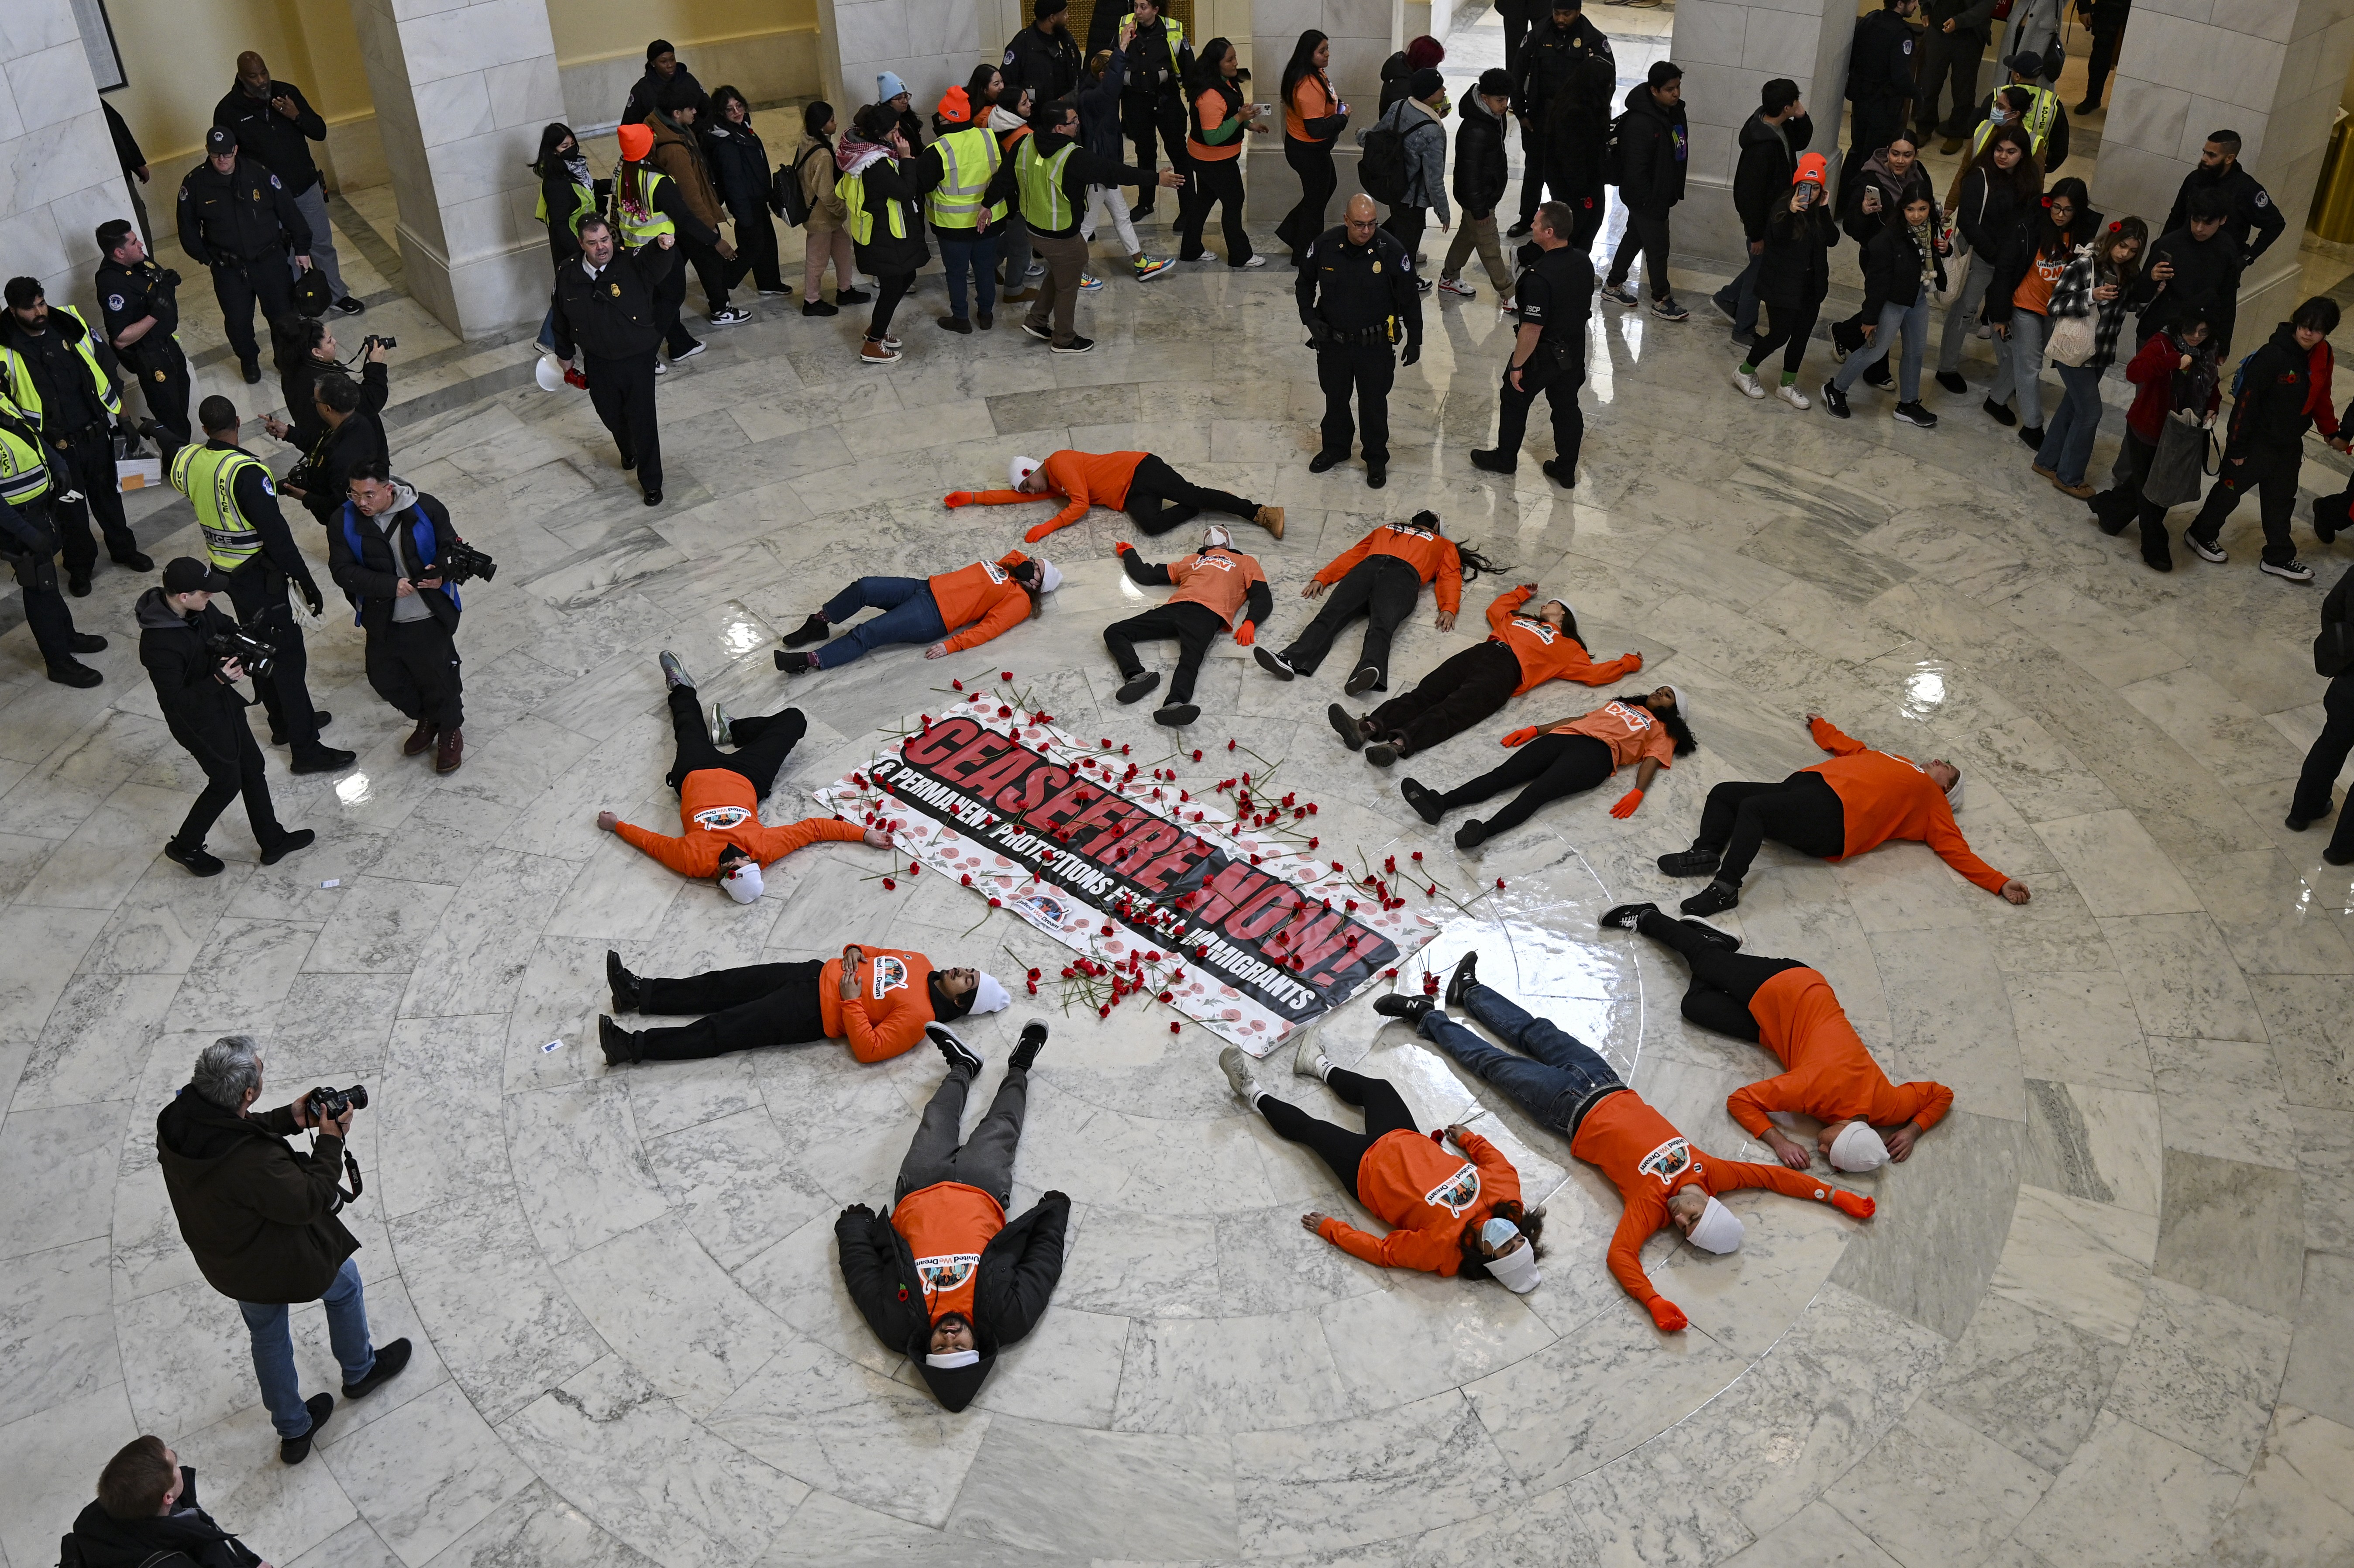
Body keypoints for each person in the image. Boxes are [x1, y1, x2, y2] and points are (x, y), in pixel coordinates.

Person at [1373, 956, 1875, 1331]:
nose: (1680, 1220)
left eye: (1684, 1231)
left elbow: (1621, 1258)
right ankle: (1470, 991)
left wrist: (1653, 1301)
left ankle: (1426, 1017)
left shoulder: (1649, 1208)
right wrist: (1835, 1196)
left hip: (1564, 1107)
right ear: (1710, 1206)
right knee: (1534, 1030)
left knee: (1492, 1063)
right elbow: (1775, 1178)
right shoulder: (1714, 1174)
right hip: (1604, 1078)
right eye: (1693, 1219)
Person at [156, 1035, 410, 1461]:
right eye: (260, 1069)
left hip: (226, 1258)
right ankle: (361, 1371)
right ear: (248, 1093)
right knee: (346, 1285)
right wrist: (330, 1138)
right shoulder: (253, 1162)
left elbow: (230, 1130)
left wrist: (290, 1118)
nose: (263, 1068)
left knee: (267, 1336)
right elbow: (310, 1198)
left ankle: (294, 1431)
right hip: (275, 1258)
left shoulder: (176, 1117)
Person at [1602, 906, 1953, 1168]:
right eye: (1831, 1150)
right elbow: (1740, 1101)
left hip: (1778, 1029)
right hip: (1791, 986)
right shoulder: (1812, 1088)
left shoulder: (1889, 1108)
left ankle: (1716, 942)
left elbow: (1941, 1095)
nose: (1821, 1151)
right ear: (1847, 1134)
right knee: (1704, 962)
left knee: (1695, 1007)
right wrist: (1779, 1141)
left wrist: (1913, 1131)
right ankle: (1647, 916)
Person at [836, 1023, 1066, 1411]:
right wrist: (1054, 1215)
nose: (950, 1338)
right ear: (978, 1347)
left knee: (936, 1118)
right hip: (982, 1191)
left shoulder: (897, 1325)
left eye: (941, 1349)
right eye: (959, 1347)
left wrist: (853, 1229)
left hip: (918, 1190)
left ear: (927, 1349)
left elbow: (863, 1276)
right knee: (1002, 1125)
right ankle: (1019, 1069)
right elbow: (1041, 1266)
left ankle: (962, 1067)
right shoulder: (1008, 1318)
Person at [1216, 1043, 1543, 1292]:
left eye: (1506, 1249)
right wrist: (1470, 1139)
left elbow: (1384, 1252)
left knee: (1312, 1130)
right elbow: (1497, 1162)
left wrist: (1332, 1230)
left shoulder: (1443, 1252)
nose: (1509, 1237)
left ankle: (1249, 1089)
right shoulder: (1508, 1199)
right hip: (1404, 1137)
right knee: (1378, 1089)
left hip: (1365, 1171)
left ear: (1488, 1260)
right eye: (1518, 1240)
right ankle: (1317, 1063)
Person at [1662, 712, 2028, 915]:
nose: (1939, 761)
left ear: (1947, 790)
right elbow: (1851, 748)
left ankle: (1725, 889)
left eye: (1947, 768)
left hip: (1835, 818)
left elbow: (1955, 848)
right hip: (1804, 791)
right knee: (1725, 793)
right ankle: (1706, 852)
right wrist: (1820, 726)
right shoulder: (1896, 761)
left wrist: (1999, 882)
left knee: (1754, 808)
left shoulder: (1932, 802)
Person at [593, 649, 879, 901]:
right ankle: (733, 730)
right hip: (748, 777)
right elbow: (815, 830)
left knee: (688, 726)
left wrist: (617, 825)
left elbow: (652, 844)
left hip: (696, 772)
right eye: (745, 861)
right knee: (793, 720)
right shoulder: (764, 850)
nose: (738, 857)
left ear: (722, 877)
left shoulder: (692, 861)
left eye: (732, 867)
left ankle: (680, 687)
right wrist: (864, 834)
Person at [170, 396, 352, 774]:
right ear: (238, 422)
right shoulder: (246, 472)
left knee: (259, 647)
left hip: (227, 573)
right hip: (259, 576)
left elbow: (171, 450)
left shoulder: (188, 460)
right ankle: (306, 751)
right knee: (287, 660)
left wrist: (154, 430)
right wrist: (306, 581)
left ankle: (283, 723)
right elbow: (277, 536)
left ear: (204, 429)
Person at [1329, 584, 1643, 767]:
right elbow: (1496, 610)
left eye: (1553, 603)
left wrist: (1629, 663)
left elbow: (1595, 674)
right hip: (1482, 652)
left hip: (1508, 672)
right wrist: (1521, 593)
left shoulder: (1570, 648)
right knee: (1425, 693)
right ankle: (1366, 728)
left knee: (1453, 710)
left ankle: (1396, 746)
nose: (1546, 604)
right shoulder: (1518, 620)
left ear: (1564, 614)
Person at [137, 560, 314, 874]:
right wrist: (218, 679)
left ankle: (273, 841)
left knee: (253, 767)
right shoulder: (158, 645)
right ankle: (185, 846)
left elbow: (225, 625)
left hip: (222, 704)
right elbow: (176, 703)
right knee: (226, 781)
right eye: (204, 593)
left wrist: (242, 642)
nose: (211, 597)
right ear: (183, 597)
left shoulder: (200, 608)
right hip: (197, 723)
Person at [606, 944, 1012, 1067]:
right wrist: (854, 951)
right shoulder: (920, 961)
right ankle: (640, 994)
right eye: (969, 969)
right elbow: (870, 951)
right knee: (722, 984)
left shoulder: (921, 1017)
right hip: (810, 972)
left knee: (724, 1028)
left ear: (960, 1001)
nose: (963, 970)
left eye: (968, 980)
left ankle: (633, 1047)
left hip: (809, 1013)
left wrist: (852, 1003)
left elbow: (870, 1050)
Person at [0, 278, 152, 593]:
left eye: (42, 303)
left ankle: (125, 550)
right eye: (30, 309)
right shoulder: (5, 349)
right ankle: (80, 567)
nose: (40, 312)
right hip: (55, 447)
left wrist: (124, 419)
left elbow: (107, 373)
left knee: (109, 498)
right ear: (13, 311)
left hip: (95, 434)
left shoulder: (70, 324)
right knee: (71, 511)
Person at [2182, 296, 2347, 584]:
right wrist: (2237, 447)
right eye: (2304, 325)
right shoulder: (2272, 356)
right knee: (2229, 492)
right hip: (2256, 441)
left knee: (2281, 501)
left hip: (2289, 443)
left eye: (2317, 329)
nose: (2308, 333)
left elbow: (2321, 395)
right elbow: (2246, 405)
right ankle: (2200, 533)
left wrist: (2331, 431)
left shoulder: (2324, 354)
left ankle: (2278, 557)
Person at [999, 96, 1182, 352]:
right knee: (1068, 286)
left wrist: (987, 204)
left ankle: (1037, 321)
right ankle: (1064, 339)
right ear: (1059, 128)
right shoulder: (1072, 157)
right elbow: (1113, 171)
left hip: (1034, 228)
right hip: (1061, 233)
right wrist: (1156, 179)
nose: (1078, 124)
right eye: (1073, 122)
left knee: (1061, 272)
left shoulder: (1025, 143)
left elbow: (1004, 178)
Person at [1401, 687, 1690, 849]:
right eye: (1661, 689)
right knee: (1501, 777)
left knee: (1535, 795)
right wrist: (1536, 729)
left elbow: (1652, 759)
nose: (1660, 692)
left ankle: (1483, 832)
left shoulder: (1663, 730)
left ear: (1674, 712)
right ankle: (1440, 803)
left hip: (1596, 756)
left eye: (1668, 696)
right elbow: (1579, 719)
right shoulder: (1621, 705)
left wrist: (1638, 791)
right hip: (1563, 737)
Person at [327, 462, 470, 773]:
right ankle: (428, 717)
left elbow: (450, 546)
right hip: (382, 616)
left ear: (389, 489)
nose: (361, 502)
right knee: (385, 679)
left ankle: (449, 729)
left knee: (439, 677)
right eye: (354, 494)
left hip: (427, 614)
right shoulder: (342, 520)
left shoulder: (426, 507)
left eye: (369, 495)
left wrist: (442, 574)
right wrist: (389, 585)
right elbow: (341, 570)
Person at [1255, 511, 1480, 695]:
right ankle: (1290, 660)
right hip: (1374, 571)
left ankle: (1368, 672)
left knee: (1376, 625)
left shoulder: (1442, 544)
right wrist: (1323, 577)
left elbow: (1449, 576)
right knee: (1337, 616)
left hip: (1398, 577)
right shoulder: (1388, 529)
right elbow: (1356, 554)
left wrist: (1449, 607)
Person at [214, 52, 357, 317]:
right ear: (241, 77)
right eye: (253, 76)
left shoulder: (287, 93)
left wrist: (296, 115)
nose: (261, 81)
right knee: (286, 256)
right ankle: (299, 305)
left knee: (321, 244)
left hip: (306, 187)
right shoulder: (228, 110)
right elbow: (229, 159)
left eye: (264, 73)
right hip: (269, 199)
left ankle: (337, 294)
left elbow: (320, 131)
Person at [549, 213, 675, 506]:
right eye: (593, 243)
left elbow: (655, 263)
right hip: (599, 360)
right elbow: (561, 317)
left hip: (637, 358)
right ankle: (627, 448)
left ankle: (651, 483)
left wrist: (662, 247)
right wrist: (565, 355)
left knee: (643, 420)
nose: (601, 247)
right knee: (611, 415)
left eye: (605, 240)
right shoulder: (568, 274)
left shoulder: (631, 263)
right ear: (582, 244)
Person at [1299, 195, 1424, 488]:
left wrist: (1415, 338)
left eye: (1371, 224)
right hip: (1334, 343)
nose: (1366, 231)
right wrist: (1310, 319)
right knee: (1335, 398)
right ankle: (1336, 448)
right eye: (1359, 224)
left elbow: (1409, 297)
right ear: (1346, 220)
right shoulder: (1325, 246)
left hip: (1375, 345)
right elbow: (1304, 283)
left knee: (1374, 404)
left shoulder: (1390, 250)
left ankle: (1376, 458)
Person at [776, 549, 1062, 673]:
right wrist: (1026, 568)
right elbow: (1016, 555)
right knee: (865, 587)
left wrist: (952, 645)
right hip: (923, 587)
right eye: (1034, 561)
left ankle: (809, 661)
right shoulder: (1008, 566)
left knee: (868, 632)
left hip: (933, 617)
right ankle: (819, 623)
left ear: (1038, 586)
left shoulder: (1020, 601)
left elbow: (991, 628)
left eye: (1036, 570)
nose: (1030, 564)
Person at [178, 125, 313, 384]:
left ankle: (284, 359)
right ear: (207, 151)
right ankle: (248, 359)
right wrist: (208, 258)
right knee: (238, 322)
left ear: (236, 150)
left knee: (283, 316)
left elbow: (289, 211)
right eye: (216, 154)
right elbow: (188, 230)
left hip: (269, 260)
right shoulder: (196, 184)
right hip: (229, 268)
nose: (222, 159)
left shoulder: (259, 174)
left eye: (227, 153)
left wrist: (302, 247)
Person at [1470, 199, 1593, 482]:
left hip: (1543, 354)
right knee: (1566, 407)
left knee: (1514, 397)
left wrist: (1517, 366)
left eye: (1536, 223)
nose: (1532, 226)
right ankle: (1566, 470)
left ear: (1549, 232)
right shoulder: (1583, 261)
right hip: (1573, 350)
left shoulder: (1539, 277)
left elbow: (1532, 329)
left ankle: (1505, 459)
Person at [2092, 306, 2220, 569]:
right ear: (2180, 325)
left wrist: (2213, 407)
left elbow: (2211, 385)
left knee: (2150, 485)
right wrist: (2174, 361)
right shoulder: (2162, 343)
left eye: (2204, 332)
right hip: (2148, 428)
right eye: (2192, 330)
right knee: (2153, 494)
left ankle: (2108, 510)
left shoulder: (2207, 352)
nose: (2197, 337)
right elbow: (2134, 372)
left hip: (2182, 433)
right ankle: (2155, 547)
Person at [1103, 527, 1273, 726]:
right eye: (1209, 533)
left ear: (1230, 542)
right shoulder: (1191, 560)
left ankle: (1174, 704)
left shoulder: (1245, 561)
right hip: (1175, 608)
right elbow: (1147, 575)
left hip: (1208, 614)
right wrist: (1129, 553)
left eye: (1221, 532)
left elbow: (1262, 595)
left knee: (1190, 660)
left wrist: (1251, 622)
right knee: (1115, 632)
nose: (1214, 534)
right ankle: (1137, 676)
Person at [2037, 217, 2150, 497]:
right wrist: (2092, 296)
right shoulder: (2084, 265)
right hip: (2074, 351)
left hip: (2100, 353)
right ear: (2112, 240)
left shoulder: (2129, 273)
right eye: (2122, 246)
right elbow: (2054, 305)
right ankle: (2069, 478)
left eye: (2133, 250)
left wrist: (2152, 289)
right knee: (2090, 413)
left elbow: (2128, 305)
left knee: (2072, 407)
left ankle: (2046, 461)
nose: (2124, 253)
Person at [946, 448, 1281, 542]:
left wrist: (1048, 527)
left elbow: (1080, 505)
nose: (1030, 492)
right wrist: (972, 498)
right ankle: (1208, 502)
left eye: (1027, 485)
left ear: (1031, 471)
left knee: (1192, 493)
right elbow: (1015, 498)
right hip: (1128, 494)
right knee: (1152, 526)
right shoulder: (1051, 484)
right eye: (1026, 490)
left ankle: (1262, 512)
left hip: (1141, 469)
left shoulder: (1059, 463)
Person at [1984, 175, 2099, 441]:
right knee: (2031, 367)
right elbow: (2004, 271)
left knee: (2025, 361)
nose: (2060, 215)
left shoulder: (2082, 235)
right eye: (2056, 207)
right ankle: (2033, 426)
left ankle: (1996, 400)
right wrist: (2000, 316)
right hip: (2024, 306)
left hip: (2054, 309)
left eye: (2068, 210)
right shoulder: (2029, 228)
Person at [1823, 188, 1948, 428]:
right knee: (1875, 351)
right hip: (1893, 302)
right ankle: (1836, 389)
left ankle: (1908, 404)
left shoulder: (1930, 228)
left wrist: (1946, 249)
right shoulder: (1887, 240)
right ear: (1902, 209)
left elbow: (1931, 255)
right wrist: (1870, 318)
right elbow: (1876, 283)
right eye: (1911, 209)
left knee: (1916, 352)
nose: (1916, 215)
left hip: (1917, 298)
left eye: (1922, 209)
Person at [1934, 122, 2042, 395]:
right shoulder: (1979, 176)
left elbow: (2029, 219)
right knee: (1965, 311)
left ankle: (2008, 375)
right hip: (1981, 256)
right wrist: (1995, 256)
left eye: (2011, 151)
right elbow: (1968, 222)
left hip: (2010, 259)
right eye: (1999, 149)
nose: (2002, 156)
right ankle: (1946, 368)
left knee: (2003, 314)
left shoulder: (2029, 178)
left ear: (2023, 154)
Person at [67, 1435, 268, 1568]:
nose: (180, 1469)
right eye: (176, 1467)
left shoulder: (99, 1512)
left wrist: (249, 1560)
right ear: (168, 1498)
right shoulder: (174, 1561)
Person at [1733, 155, 1839, 407]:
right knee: (1779, 335)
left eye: (1816, 188)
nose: (1810, 193)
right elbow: (1778, 239)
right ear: (1796, 185)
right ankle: (1744, 371)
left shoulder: (1818, 211)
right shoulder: (1783, 207)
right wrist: (1791, 212)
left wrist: (1825, 209)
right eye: (1805, 186)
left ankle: (1787, 385)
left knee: (1801, 337)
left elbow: (1833, 239)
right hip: (1781, 286)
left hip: (1810, 286)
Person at [837, 104, 939, 365]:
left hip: (884, 232)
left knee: (907, 276)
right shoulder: (875, 164)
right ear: (880, 133)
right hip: (884, 236)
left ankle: (877, 328)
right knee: (893, 287)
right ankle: (873, 345)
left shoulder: (859, 151)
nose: (898, 135)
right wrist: (906, 159)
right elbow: (905, 191)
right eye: (894, 130)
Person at [610, 122, 716, 365]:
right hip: (661, 251)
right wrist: (714, 240)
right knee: (672, 298)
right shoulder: (658, 182)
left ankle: (680, 344)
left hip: (634, 251)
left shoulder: (623, 174)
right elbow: (685, 217)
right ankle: (646, 355)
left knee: (659, 299)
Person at [1831, 133, 1934, 381]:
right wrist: (1864, 211)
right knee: (1883, 308)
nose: (1900, 160)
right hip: (1878, 255)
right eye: (1895, 154)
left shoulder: (1919, 175)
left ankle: (1844, 333)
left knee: (1888, 309)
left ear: (1916, 155)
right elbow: (1851, 228)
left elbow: (1929, 210)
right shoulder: (1869, 180)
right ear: (1887, 152)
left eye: (1907, 155)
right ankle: (1876, 369)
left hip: (1910, 256)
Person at [0, 450, 108, 686]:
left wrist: (59, 465)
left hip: (37, 514)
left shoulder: (9, 423)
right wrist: (26, 532)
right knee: (39, 587)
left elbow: (37, 442)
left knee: (48, 584)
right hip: (15, 524)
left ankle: (67, 637)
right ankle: (58, 664)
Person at [1716, 80, 1812, 340]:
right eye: (1795, 102)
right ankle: (1743, 330)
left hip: (1776, 216)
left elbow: (1801, 140)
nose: (1799, 104)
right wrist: (1756, 235)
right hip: (1766, 221)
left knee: (1760, 267)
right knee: (1758, 278)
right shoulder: (1762, 148)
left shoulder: (1778, 126)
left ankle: (1727, 298)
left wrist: (1802, 116)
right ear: (1786, 108)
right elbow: (1748, 196)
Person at [644, 78, 743, 327]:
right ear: (677, 113)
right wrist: (710, 229)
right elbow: (690, 195)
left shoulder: (669, 126)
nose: (695, 112)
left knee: (683, 264)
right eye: (691, 109)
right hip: (691, 219)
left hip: (681, 220)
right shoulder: (674, 149)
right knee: (710, 261)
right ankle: (721, 309)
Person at [1510, 0, 1615, 237]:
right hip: (1540, 116)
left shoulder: (1593, 40)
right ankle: (1527, 218)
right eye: (1557, 13)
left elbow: (1607, 81)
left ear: (1578, 12)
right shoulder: (1537, 36)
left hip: (1575, 121)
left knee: (1568, 172)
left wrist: (1596, 117)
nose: (1560, 19)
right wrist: (1521, 113)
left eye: (1567, 14)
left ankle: (1567, 222)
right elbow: (1518, 73)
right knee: (1535, 169)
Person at [1079, 29, 1176, 282]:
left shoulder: (1098, 92)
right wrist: (1122, 46)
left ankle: (1141, 263)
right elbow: (1111, 87)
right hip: (1098, 173)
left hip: (1107, 169)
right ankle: (1073, 273)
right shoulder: (1093, 98)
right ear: (1104, 76)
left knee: (1122, 216)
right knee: (1086, 226)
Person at [1599, 62, 1691, 322]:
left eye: (1678, 87)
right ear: (1654, 90)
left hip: (1661, 191)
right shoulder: (1641, 122)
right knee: (1658, 248)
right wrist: (1648, 201)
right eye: (1670, 89)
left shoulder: (1674, 111)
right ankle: (1662, 300)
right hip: (1647, 197)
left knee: (1635, 237)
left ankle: (1613, 285)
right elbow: (1635, 169)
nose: (1676, 93)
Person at [95, 219, 191, 445]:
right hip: (150, 357)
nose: (140, 245)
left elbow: (153, 288)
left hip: (168, 346)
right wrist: (154, 316)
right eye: (134, 243)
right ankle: (178, 458)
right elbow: (120, 339)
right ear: (119, 253)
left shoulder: (136, 262)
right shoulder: (112, 284)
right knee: (173, 422)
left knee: (181, 407)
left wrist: (167, 284)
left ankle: (182, 452)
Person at [1178, 38, 1268, 267]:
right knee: (1234, 201)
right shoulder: (1210, 95)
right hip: (1213, 160)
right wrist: (1240, 118)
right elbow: (1213, 136)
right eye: (1230, 60)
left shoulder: (1226, 81)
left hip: (1210, 158)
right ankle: (1240, 255)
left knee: (1204, 199)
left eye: (1235, 57)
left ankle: (1190, 249)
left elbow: (1230, 113)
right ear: (1215, 64)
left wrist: (1249, 124)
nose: (1236, 63)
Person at [2286, 566, 2354, 866]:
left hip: (2349, 688)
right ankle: (2343, 848)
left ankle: (2303, 812)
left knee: (2330, 746)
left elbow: (2332, 608)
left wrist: (2344, 657)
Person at [262, 316, 386, 472]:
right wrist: (376, 365)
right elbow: (372, 400)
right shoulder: (327, 384)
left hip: (320, 447)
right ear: (316, 352)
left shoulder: (293, 368)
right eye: (329, 341)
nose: (335, 342)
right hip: (354, 455)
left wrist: (289, 433)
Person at [2161, 130, 2287, 277]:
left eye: (2212, 155)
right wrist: (2161, 249)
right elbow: (2176, 217)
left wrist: (2247, 258)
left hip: (2221, 269)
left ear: (2229, 158)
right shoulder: (2195, 179)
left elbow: (2275, 224)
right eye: (2204, 153)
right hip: (2184, 260)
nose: (2204, 159)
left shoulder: (2247, 189)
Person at [1440, 69, 1515, 305]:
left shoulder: (1493, 117)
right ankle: (1509, 294)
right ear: (1484, 98)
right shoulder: (1475, 130)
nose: (1505, 105)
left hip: (1484, 195)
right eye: (1500, 100)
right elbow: (1469, 175)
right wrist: (1480, 209)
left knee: (1468, 236)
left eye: (1507, 99)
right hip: (1479, 200)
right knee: (1489, 246)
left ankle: (1449, 277)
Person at [1364, 67, 1451, 271]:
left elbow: (1377, 134)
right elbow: (1434, 180)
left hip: (1394, 185)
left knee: (1397, 228)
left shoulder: (1399, 106)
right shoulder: (1433, 132)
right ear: (1429, 96)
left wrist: (1361, 136)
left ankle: (1375, 261)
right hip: (1413, 198)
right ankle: (1404, 280)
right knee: (1407, 247)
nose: (1445, 90)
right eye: (1440, 88)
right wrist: (1443, 212)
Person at [706, 86, 787, 302]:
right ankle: (721, 284)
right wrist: (742, 214)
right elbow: (733, 182)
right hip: (746, 202)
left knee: (767, 242)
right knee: (752, 246)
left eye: (739, 106)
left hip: (758, 197)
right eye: (730, 109)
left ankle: (769, 283)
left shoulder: (743, 129)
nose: (737, 112)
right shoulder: (726, 142)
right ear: (721, 113)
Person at [2143, 186, 2244, 359]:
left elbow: (2227, 300)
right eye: (2195, 220)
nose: (2199, 229)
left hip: (2199, 341)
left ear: (2223, 220)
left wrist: (2223, 345)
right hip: (2159, 334)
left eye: (2208, 223)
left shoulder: (2226, 250)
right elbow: (2139, 294)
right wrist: (2151, 278)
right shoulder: (2168, 244)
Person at [1277, 31, 1349, 268]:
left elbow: (1327, 102)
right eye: (1322, 51)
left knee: (1325, 188)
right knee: (1315, 204)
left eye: (1327, 48)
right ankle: (1305, 255)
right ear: (1309, 54)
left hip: (1310, 149)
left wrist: (1338, 108)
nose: (1328, 54)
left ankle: (1291, 232)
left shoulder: (1315, 72)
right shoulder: (1307, 85)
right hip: (1308, 151)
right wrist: (1343, 118)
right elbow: (1317, 129)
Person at [1535, 52, 1617, 253]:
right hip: (1574, 186)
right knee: (1576, 232)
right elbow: (1572, 157)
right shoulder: (1575, 113)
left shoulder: (1585, 103)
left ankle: (1576, 262)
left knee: (1589, 226)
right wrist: (1583, 192)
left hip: (1585, 181)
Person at [1118, 0, 1194, 218]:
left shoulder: (1172, 29)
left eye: (1143, 7)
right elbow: (1113, 60)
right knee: (1145, 153)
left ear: (1156, 10)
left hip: (1166, 100)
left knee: (1178, 153)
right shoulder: (1124, 26)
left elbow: (1189, 67)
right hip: (1136, 102)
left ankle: (1188, 209)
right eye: (1135, 6)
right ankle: (1145, 203)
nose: (1138, 12)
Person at [286, 369, 389, 529]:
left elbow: (339, 506)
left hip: (343, 526)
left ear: (327, 409)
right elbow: (321, 444)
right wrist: (288, 433)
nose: (314, 404)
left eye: (315, 401)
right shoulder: (353, 421)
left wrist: (306, 498)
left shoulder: (344, 456)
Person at [794, 103, 865, 317]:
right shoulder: (823, 156)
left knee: (843, 250)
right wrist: (841, 209)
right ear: (822, 125)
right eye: (832, 120)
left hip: (826, 217)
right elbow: (826, 193)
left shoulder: (807, 140)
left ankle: (845, 290)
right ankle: (811, 301)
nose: (836, 123)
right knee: (817, 261)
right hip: (821, 217)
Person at [1845, 0, 1922, 194]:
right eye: (1913, 1)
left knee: (1856, 150)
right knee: (1876, 157)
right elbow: (1900, 76)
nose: (1917, 5)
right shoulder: (1902, 33)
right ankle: (1862, 200)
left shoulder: (1869, 19)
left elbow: (1852, 58)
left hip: (1861, 98)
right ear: (1900, 3)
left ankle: (1843, 198)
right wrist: (1918, 95)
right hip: (1884, 105)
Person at [1914, 0, 2000, 154]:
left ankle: (1957, 133)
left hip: (1969, 36)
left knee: (1963, 88)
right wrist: (1925, 10)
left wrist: (1958, 21)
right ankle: (1924, 128)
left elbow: (1985, 7)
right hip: (1938, 31)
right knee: (1929, 82)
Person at [1970, 51, 2068, 170]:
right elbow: (2060, 149)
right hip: (2030, 169)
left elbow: (1978, 130)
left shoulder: (1998, 95)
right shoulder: (2053, 104)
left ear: (2017, 76)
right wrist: (2043, 167)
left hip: (1994, 163)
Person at [531, 123, 598, 274]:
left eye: (573, 144)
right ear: (553, 151)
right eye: (565, 146)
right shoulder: (555, 183)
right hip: (576, 249)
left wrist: (615, 183)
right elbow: (559, 226)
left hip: (590, 239)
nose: (571, 149)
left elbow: (588, 187)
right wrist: (582, 254)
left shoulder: (576, 167)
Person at [102, 97, 156, 254]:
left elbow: (118, 129)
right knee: (136, 225)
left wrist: (137, 164)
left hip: (116, 176)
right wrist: (138, 165)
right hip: (117, 177)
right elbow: (118, 132)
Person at [1006, 0, 1083, 102]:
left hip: (1065, 108)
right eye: (1065, 13)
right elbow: (1008, 84)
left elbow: (1078, 71)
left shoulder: (1066, 39)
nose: (1067, 17)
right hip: (1034, 109)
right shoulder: (1021, 45)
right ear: (1052, 18)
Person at [621, 40, 703, 131]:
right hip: (657, 137)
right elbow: (629, 127)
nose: (670, 65)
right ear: (653, 63)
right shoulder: (642, 90)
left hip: (694, 135)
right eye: (663, 62)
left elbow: (707, 109)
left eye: (672, 60)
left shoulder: (688, 80)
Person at [2074, 0, 2130, 113]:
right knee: (2100, 56)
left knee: (2137, 57)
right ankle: (2092, 99)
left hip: (2145, 10)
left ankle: (2129, 105)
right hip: (2108, 8)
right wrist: (2084, 8)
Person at [1378, 34, 1446, 116]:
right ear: (1425, 62)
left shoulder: (1401, 67)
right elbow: (1410, 120)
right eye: (1434, 65)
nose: (1435, 68)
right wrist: (1433, 117)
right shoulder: (1403, 87)